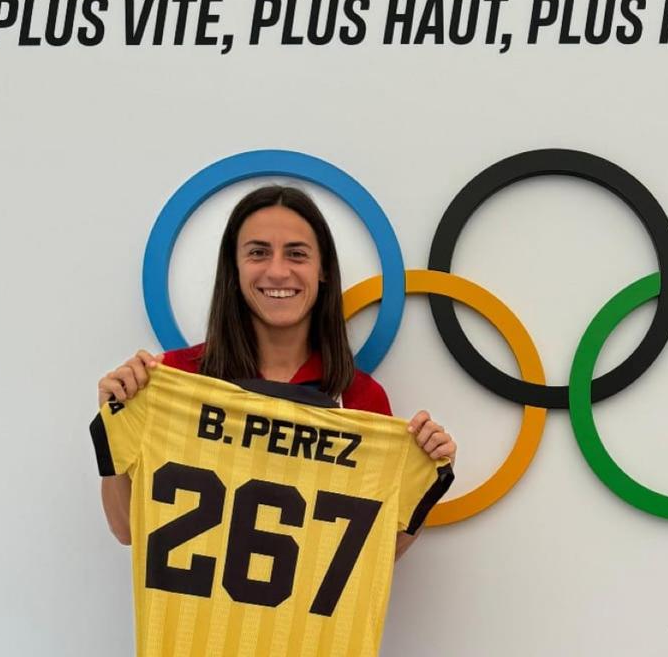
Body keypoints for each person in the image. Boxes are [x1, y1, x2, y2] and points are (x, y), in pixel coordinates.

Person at [97, 184, 455, 560]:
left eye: (297, 254)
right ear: (234, 270)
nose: (278, 271)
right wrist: (114, 424)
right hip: (189, 621)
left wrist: (426, 479)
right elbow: (127, 529)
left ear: (324, 271)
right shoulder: (174, 378)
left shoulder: (359, 398)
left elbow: (371, 559)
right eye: (258, 253)